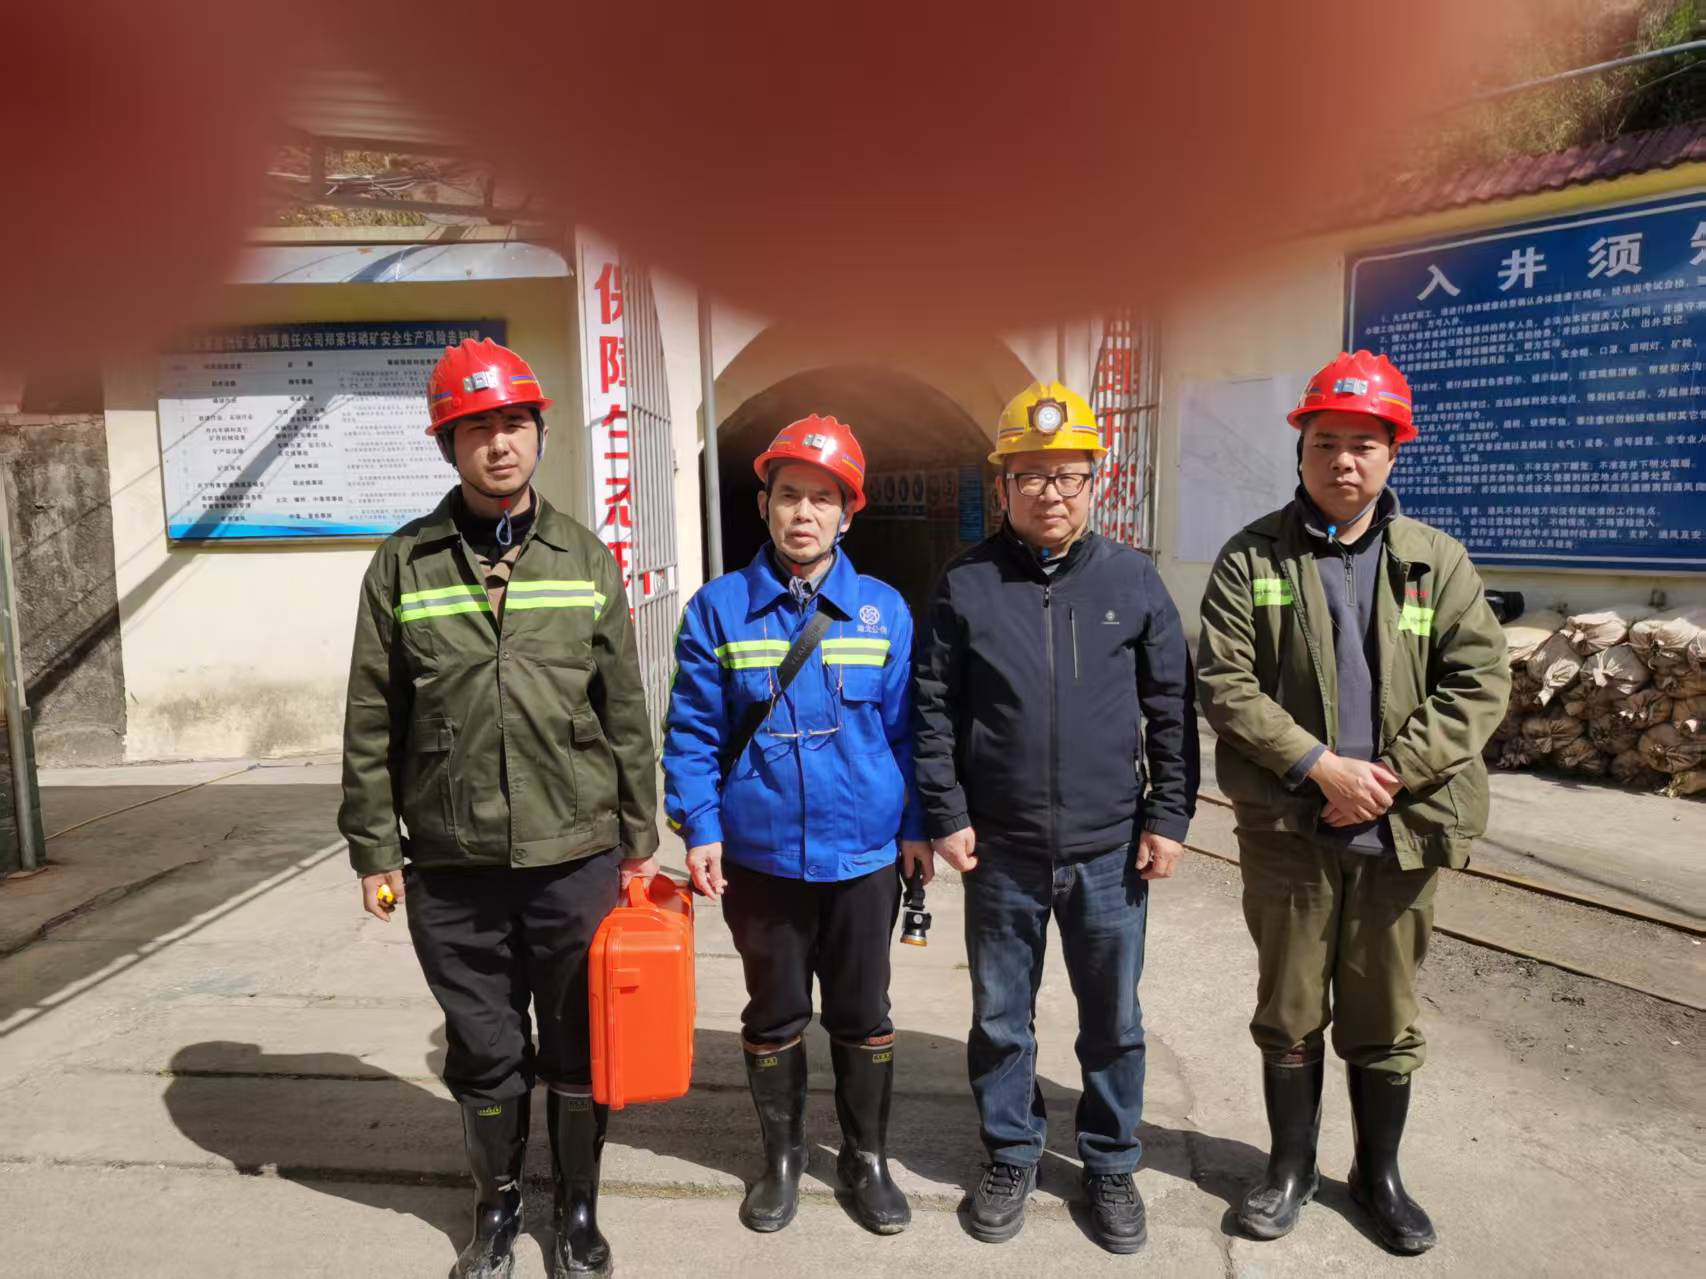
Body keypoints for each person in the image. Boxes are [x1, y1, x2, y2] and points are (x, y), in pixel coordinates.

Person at [339, 337, 659, 1279]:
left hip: (575, 854)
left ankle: (579, 1210)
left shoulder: (584, 557)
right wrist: (374, 848)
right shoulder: (402, 565)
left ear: (539, 434)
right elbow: (371, 715)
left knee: (578, 1044)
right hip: (452, 861)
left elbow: (624, 709)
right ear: (449, 444)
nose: (500, 443)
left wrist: (639, 838)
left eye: (515, 423)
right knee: (484, 1049)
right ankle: (497, 1205)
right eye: (477, 428)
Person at [1196, 350, 1509, 1255]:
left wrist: (1388, 775)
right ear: (1300, 449)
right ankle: (1290, 1168)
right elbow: (1224, 680)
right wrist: (1319, 766)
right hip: (1290, 825)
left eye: (1363, 445)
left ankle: (1379, 1175)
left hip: (1403, 827)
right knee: (1290, 1004)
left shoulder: (1434, 561)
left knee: (1384, 1011)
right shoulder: (1253, 557)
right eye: (1326, 442)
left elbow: (1480, 681)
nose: (1343, 461)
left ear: (1392, 453)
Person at [913, 380, 1199, 1254]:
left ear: (1092, 482)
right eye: (1031, 474)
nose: (1050, 491)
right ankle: (1012, 1152)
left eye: (1068, 474)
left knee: (1113, 1021)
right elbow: (932, 706)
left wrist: (1169, 814)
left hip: (1109, 850)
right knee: (1002, 1017)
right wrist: (945, 810)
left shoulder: (1131, 579)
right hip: (1000, 849)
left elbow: (1171, 706)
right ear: (1002, 483)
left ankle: (1110, 1161)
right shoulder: (965, 582)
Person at [661, 414, 928, 1236]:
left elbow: (910, 734)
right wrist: (701, 826)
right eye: (788, 495)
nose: (803, 512)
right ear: (764, 504)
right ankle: (781, 1159)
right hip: (762, 857)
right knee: (774, 1013)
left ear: (848, 513)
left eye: (822, 497)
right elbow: (693, 733)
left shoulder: (883, 611)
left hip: (864, 857)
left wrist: (916, 827)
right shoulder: (718, 610)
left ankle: (865, 1158)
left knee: (862, 1012)